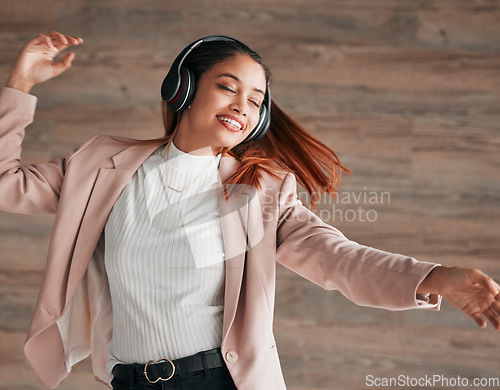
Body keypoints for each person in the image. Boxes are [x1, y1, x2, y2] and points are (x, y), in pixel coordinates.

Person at [1, 31, 499, 390]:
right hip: (127, 380)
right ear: (183, 88)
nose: (244, 105)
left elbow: (337, 256)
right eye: (228, 86)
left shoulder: (259, 191)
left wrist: (435, 276)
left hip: (219, 380)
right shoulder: (99, 167)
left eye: (257, 100)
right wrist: (20, 83)